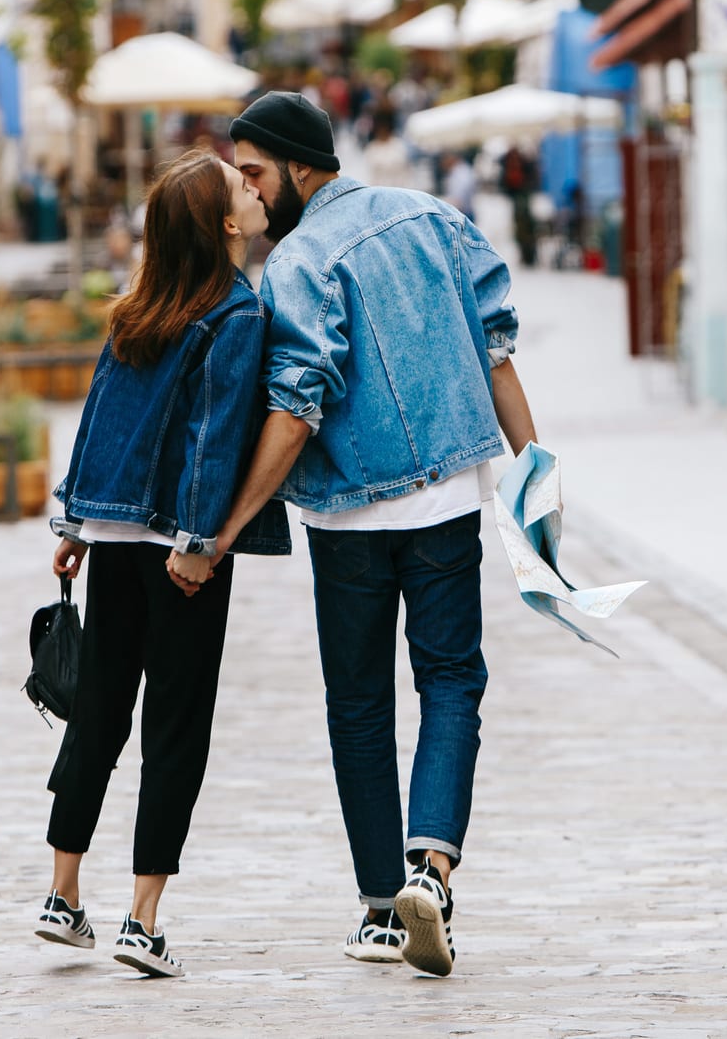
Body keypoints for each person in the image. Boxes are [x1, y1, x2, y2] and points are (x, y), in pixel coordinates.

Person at [181, 91, 539, 976]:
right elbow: (496, 350)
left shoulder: (298, 263)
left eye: (258, 175)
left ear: (304, 165)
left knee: (360, 705)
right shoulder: (435, 218)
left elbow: (296, 409)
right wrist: (535, 471)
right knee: (452, 682)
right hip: (448, 499)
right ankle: (433, 871)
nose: (253, 200)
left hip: (346, 515)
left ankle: (384, 908)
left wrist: (222, 532)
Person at [36, 148, 289, 977]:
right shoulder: (237, 313)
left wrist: (75, 519)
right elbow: (217, 438)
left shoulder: (137, 307)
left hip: (113, 541)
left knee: (100, 714)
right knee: (174, 729)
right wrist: (201, 541)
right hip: (181, 551)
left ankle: (62, 893)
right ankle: (142, 919)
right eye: (240, 189)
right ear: (223, 225)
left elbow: (99, 416)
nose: (254, 192)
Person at [362, 113, 413, 189]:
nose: (382, 132)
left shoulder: (398, 144)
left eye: (385, 129)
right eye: (380, 130)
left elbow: (404, 165)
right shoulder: (371, 148)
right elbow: (371, 169)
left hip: (398, 185)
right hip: (379, 187)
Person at [442, 152, 477, 223]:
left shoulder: (461, 172)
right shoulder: (460, 170)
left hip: (463, 212)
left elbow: (460, 196)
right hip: (463, 211)